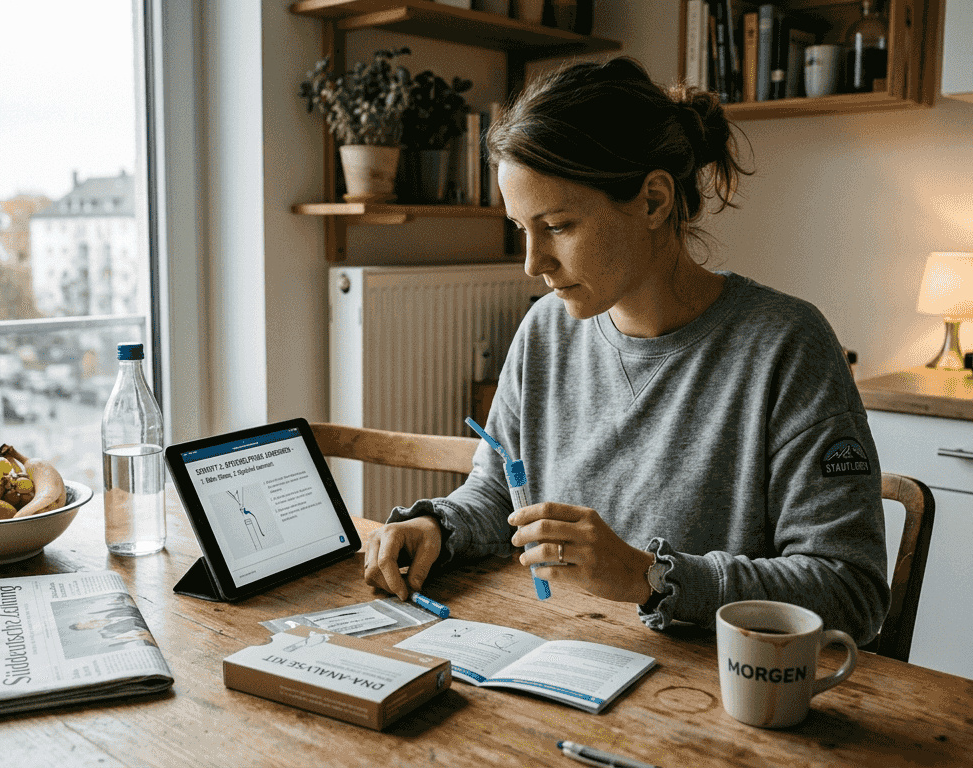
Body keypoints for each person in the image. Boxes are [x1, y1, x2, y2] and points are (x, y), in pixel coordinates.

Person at [362, 57, 889, 644]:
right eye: (522, 229)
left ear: (654, 201)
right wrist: (439, 526)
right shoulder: (544, 332)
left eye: (558, 225)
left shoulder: (786, 348)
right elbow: (498, 494)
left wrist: (653, 577)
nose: (533, 264)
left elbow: (851, 592)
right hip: (563, 661)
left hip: (714, 697)